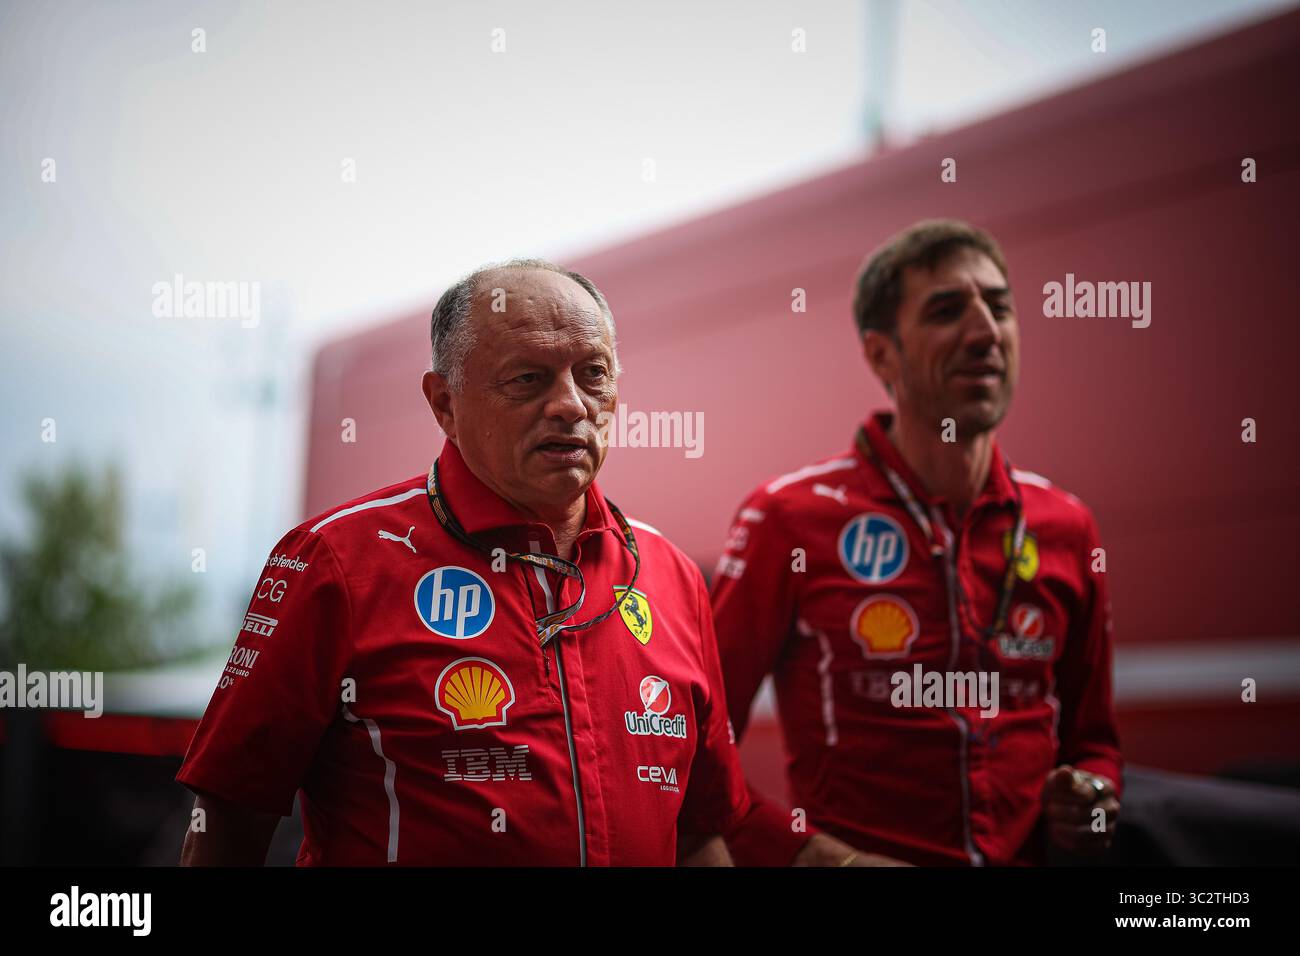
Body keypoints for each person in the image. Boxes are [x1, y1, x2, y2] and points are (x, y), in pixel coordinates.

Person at [177, 259, 747, 865]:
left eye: (593, 374)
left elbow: (698, 834)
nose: (571, 405)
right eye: (528, 379)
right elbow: (227, 824)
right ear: (444, 403)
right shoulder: (335, 561)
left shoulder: (672, 575)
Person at [712, 220, 1122, 866]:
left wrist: (1095, 797)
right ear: (882, 356)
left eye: (1000, 306)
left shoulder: (1066, 524)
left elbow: (1094, 742)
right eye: (946, 310)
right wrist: (822, 860)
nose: (986, 332)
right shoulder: (788, 518)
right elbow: (698, 751)